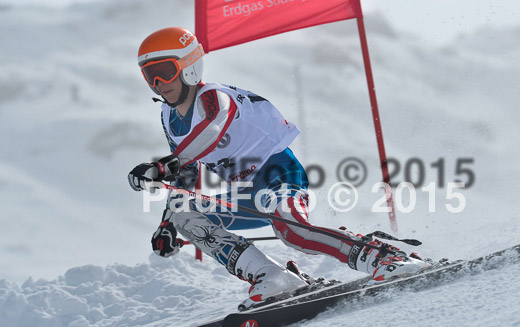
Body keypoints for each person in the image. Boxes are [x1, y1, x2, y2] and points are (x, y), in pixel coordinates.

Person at [127, 27, 428, 309]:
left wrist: (167, 165)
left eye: (164, 72)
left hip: (277, 172)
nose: (158, 84)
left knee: (292, 232)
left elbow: (211, 130)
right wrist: (166, 224)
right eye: (149, 76)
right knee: (186, 215)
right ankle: (272, 276)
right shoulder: (169, 116)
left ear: (189, 66)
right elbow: (185, 174)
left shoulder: (215, 97)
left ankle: (386, 257)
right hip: (244, 191)